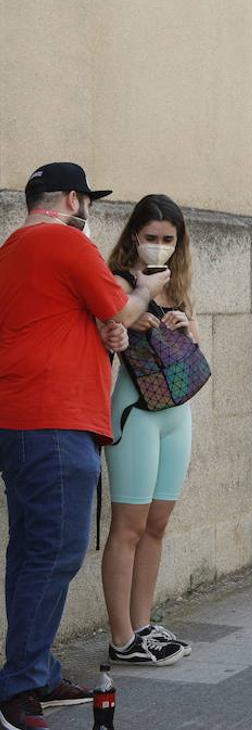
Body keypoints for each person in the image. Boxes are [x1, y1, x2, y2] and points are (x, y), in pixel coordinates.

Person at [0, 162, 170, 730]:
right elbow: (121, 308)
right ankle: (21, 685)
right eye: (88, 202)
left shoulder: (17, 247)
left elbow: (81, 322)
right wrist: (145, 289)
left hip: (26, 418)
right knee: (55, 552)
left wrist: (106, 333)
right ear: (74, 199)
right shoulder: (65, 242)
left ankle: (37, 670)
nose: (89, 213)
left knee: (32, 550)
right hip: (53, 421)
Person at [101, 195, 199, 667]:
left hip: (176, 411)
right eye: (151, 238)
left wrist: (186, 324)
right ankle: (121, 636)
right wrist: (136, 299)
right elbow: (108, 323)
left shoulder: (175, 282)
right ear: (133, 236)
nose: (159, 247)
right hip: (134, 410)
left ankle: (142, 623)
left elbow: (186, 342)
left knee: (157, 524)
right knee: (129, 526)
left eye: (168, 239)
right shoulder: (120, 278)